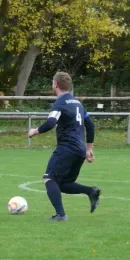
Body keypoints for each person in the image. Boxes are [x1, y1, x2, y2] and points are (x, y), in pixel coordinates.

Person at [28, 72, 101, 221]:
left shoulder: (60, 103)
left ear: (55, 84)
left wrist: (35, 131)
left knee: (49, 178)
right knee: (63, 184)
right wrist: (88, 149)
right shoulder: (78, 103)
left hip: (67, 147)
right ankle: (91, 191)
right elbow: (91, 125)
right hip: (79, 150)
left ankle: (61, 215)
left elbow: (50, 123)